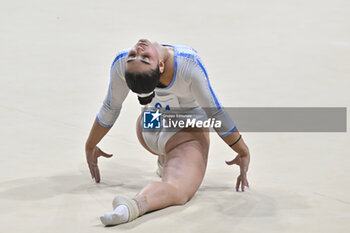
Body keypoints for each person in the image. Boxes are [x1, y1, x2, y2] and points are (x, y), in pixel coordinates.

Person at [85, 39, 251, 226]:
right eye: (144, 57)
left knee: (164, 129)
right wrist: (243, 151)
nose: (138, 50)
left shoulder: (124, 62)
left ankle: (166, 159)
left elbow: (110, 107)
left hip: (148, 127)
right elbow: (216, 113)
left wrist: (90, 145)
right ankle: (131, 207)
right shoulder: (189, 65)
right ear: (161, 66)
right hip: (183, 135)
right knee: (178, 190)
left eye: (136, 55)